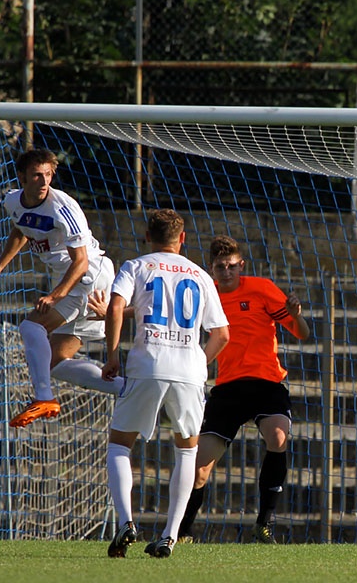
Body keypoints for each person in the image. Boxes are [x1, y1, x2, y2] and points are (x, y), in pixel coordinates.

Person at [102, 209, 230, 559]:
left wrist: (112, 355)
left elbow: (115, 308)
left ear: (147, 236)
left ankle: (126, 522)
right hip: (188, 370)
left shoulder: (137, 265)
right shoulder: (201, 275)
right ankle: (170, 535)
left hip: (147, 363)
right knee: (186, 449)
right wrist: (197, 365)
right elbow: (221, 334)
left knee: (120, 445)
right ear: (182, 238)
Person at [175, 234, 311, 544]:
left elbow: (302, 333)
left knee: (278, 436)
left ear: (241, 265)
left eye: (232, 266)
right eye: (221, 267)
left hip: (267, 383)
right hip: (228, 388)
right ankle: (183, 531)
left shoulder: (262, 289)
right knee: (200, 468)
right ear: (212, 269)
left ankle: (263, 524)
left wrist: (296, 314)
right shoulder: (206, 295)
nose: (227, 272)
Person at [0, 148, 122, 429]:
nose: (44, 182)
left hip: (87, 276)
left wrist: (55, 296)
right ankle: (126, 389)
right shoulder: (12, 202)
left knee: (31, 328)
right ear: (22, 177)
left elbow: (80, 262)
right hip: (70, 278)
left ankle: (43, 397)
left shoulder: (62, 207)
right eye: (37, 176)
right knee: (51, 362)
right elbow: (21, 230)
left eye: (48, 175)